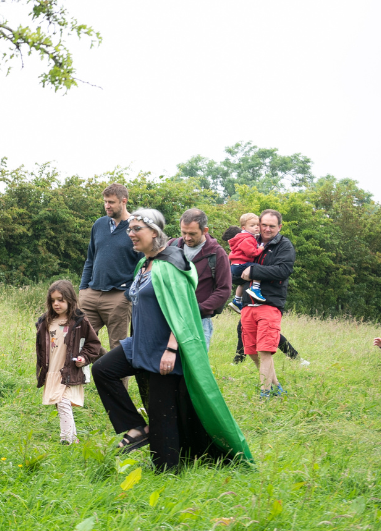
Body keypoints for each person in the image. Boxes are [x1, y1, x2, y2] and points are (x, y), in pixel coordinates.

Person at [91, 208, 252, 472]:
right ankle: (136, 427)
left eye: (135, 230)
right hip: (141, 344)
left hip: (164, 350)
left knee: (164, 431)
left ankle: (172, 469)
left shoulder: (171, 265)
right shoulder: (145, 263)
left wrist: (171, 349)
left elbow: (184, 313)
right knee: (103, 369)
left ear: (153, 232)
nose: (130, 234)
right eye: (129, 229)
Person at [221, 225, 306, 365]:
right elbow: (236, 278)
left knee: (268, 335)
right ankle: (240, 360)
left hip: (266, 299)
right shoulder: (245, 250)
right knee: (245, 329)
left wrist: (252, 272)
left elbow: (281, 271)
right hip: (250, 301)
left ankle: (295, 359)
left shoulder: (260, 246)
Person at [34, 279, 103, 445]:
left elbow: (93, 345)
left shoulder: (80, 321)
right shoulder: (45, 322)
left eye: (60, 300)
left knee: (63, 402)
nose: (56, 304)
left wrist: (84, 358)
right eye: (53, 300)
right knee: (60, 404)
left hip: (69, 370)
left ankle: (67, 439)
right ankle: (74, 438)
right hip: (52, 371)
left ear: (70, 300)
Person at [239, 209, 296, 398]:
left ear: (279, 227)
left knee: (265, 351)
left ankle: (264, 394)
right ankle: (276, 387)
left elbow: (282, 271)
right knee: (252, 351)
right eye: (264, 225)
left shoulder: (284, 246)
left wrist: (253, 271)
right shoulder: (249, 242)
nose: (267, 229)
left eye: (272, 226)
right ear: (259, 224)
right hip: (248, 304)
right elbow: (235, 267)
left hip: (270, 304)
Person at [79, 183, 142, 349]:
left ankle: (112, 374)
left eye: (111, 202)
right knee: (78, 341)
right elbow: (90, 258)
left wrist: (128, 294)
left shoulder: (137, 228)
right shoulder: (99, 225)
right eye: (105, 201)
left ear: (123, 201)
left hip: (119, 296)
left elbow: (143, 265)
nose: (107, 206)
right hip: (91, 294)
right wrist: (83, 288)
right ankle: (96, 369)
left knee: (118, 348)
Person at [169, 209, 231, 349]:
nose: (187, 238)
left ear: (205, 230)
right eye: (184, 233)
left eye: (192, 234)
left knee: (196, 367)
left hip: (199, 321)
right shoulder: (172, 246)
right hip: (169, 317)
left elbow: (224, 290)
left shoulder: (217, 253)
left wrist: (199, 309)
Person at [227, 213, 267, 312]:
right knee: (258, 269)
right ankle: (255, 288)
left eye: (257, 225)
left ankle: (237, 300)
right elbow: (251, 253)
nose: (256, 227)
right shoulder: (248, 238)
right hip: (241, 264)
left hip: (236, 265)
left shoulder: (243, 236)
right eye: (252, 226)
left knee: (242, 282)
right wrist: (260, 249)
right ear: (244, 227)